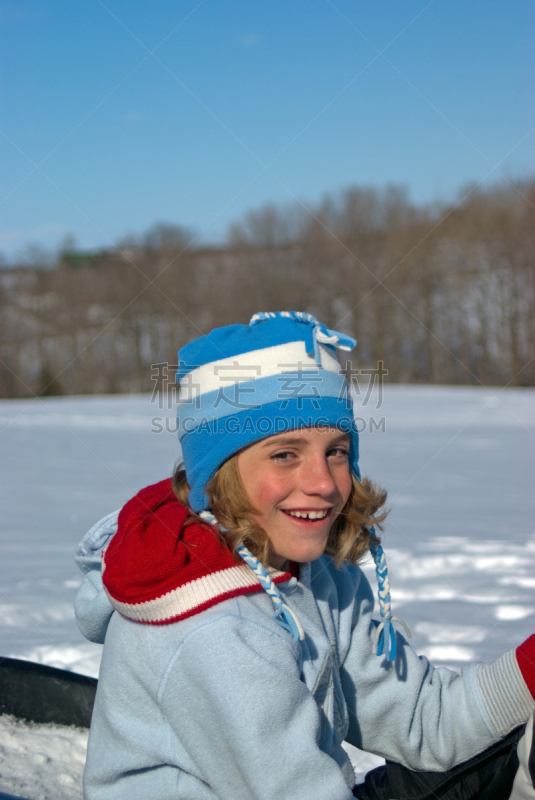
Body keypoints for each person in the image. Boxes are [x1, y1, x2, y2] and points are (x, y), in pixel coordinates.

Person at [74, 311, 535, 800]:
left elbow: (425, 722)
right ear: (218, 474)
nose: (323, 483)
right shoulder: (212, 631)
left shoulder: (317, 575)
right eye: (284, 454)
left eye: (336, 451)